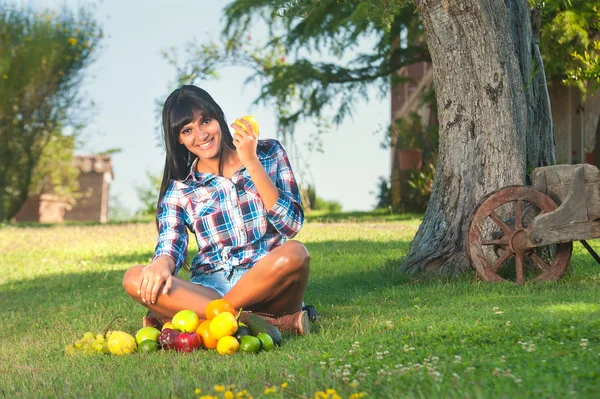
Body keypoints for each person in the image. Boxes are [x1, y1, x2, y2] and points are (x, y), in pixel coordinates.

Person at [122, 85, 312, 335]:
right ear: (178, 138)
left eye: (206, 121)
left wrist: (251, 162)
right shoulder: (180, 190)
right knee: (134, 278)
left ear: (218, 118)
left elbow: (291, 225)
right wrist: (161, 263)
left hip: (269, 282)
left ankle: (203, 321)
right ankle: (267, 323)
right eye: (187, 130)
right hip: (210, 287)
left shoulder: (269, 153)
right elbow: (171, 243)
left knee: (296, 253)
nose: (201, 135)